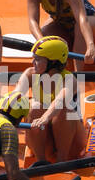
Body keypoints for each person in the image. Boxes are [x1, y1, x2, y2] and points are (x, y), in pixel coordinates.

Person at [16, 36, 86, 164]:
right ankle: (41, 162)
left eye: (37, 59)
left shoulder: (70, 80)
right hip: (43, 137)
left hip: (73, 142)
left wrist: (45, 118)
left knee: (65, 110)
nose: (33, 62)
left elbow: (59, 102)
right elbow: (16, 96)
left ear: (53, 62)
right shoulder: (30, 74)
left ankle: (61, 162)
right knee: (34, 107)